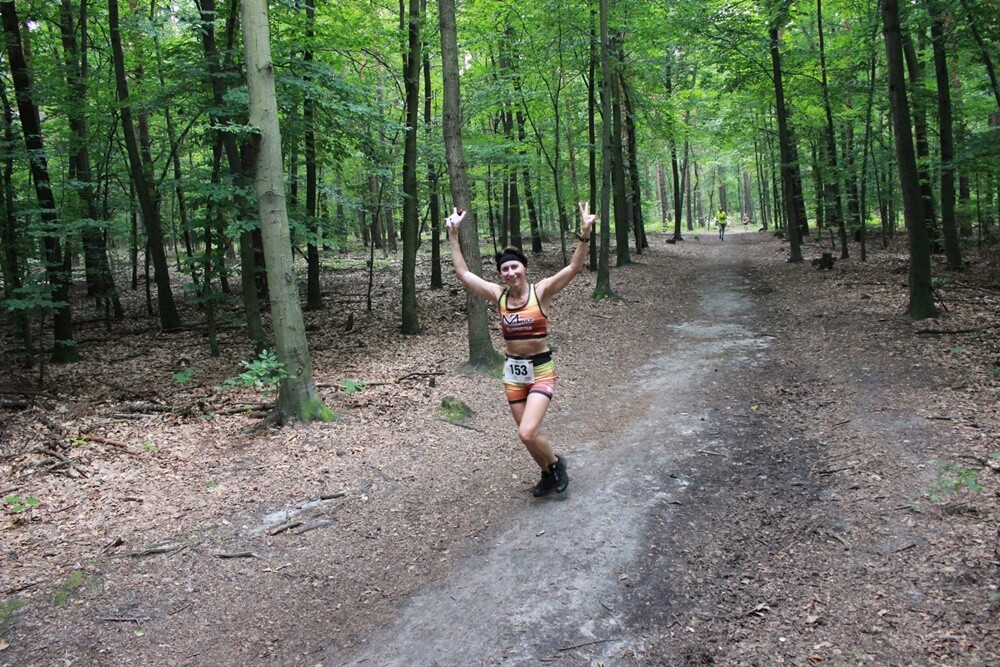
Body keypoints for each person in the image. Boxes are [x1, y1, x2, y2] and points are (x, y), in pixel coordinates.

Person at [445, 202, 596, 497]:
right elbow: (464, 274)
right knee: (527, 437)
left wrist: (585, 233)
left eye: (514, 266)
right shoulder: (498, 295)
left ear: (524, 267)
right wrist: (453, 235)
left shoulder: (541, 292)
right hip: (513, 373)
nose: (510, 272)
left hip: (541, 369)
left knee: (527, 431)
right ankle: (546, 476)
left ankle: (556, 463)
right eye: (505, 269)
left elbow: (574, 267)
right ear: (501, 274)